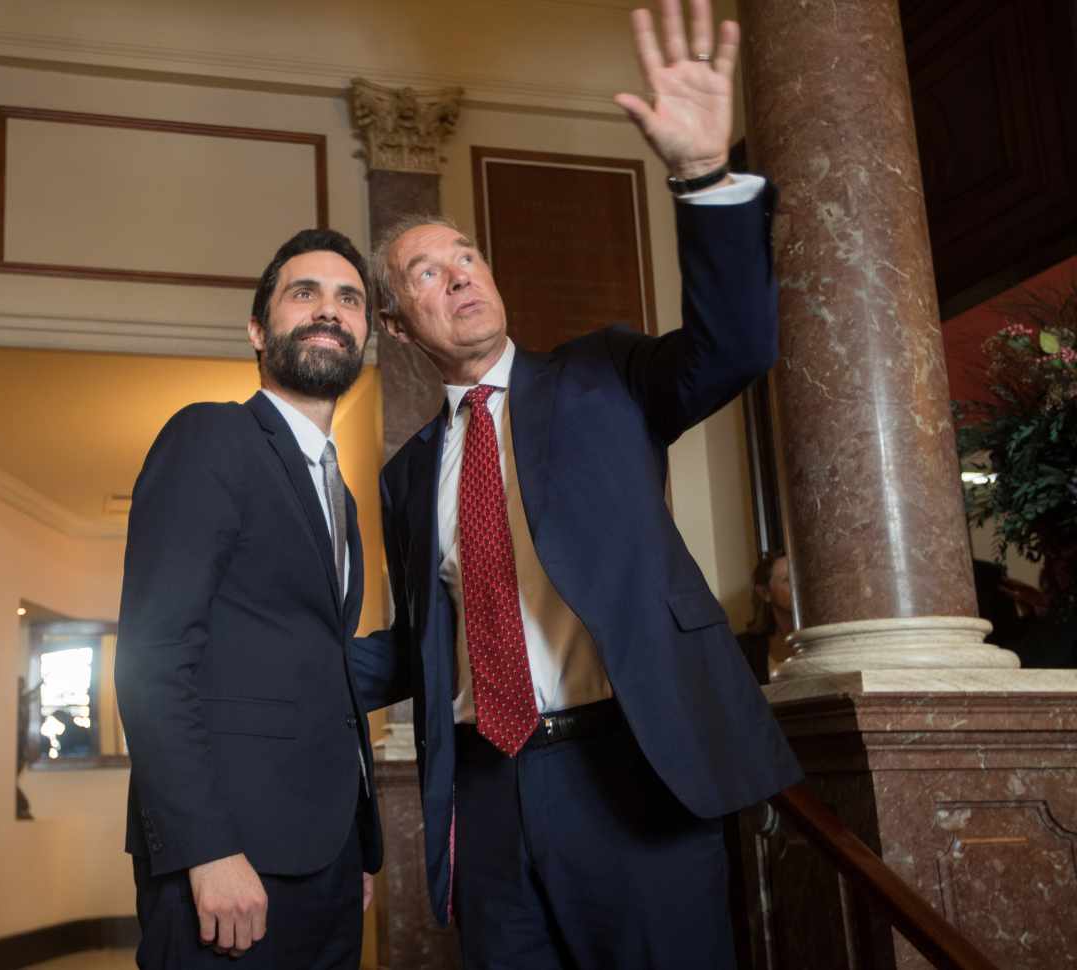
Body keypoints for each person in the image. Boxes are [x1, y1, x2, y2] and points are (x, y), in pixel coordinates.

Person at [348, 1, 803, 966]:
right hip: (488, 795)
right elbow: (426, 641)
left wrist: (701, 174)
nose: (460, 276)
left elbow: (737, 346)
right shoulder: (405, 476)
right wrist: (261, 666)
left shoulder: (602, 376)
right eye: (426, 275)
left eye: (466, 255)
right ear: (397, 328)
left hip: (633, 769)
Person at [115, 228, 380, 969]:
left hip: (329, 865)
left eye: (349, 299)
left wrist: (352, 841)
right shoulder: (212, 438)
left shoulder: (341, 495)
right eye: (306, 293)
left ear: (363, 332)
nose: (330, 310)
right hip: (228, 864)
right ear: (259, 331)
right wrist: (207, 851)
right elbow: (152, 657)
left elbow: (316, 666)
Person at [738, 552, 794, 683]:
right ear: (765, 593)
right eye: (788, 580)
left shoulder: (830, 638)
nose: (800, 584)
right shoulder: (743, 649)